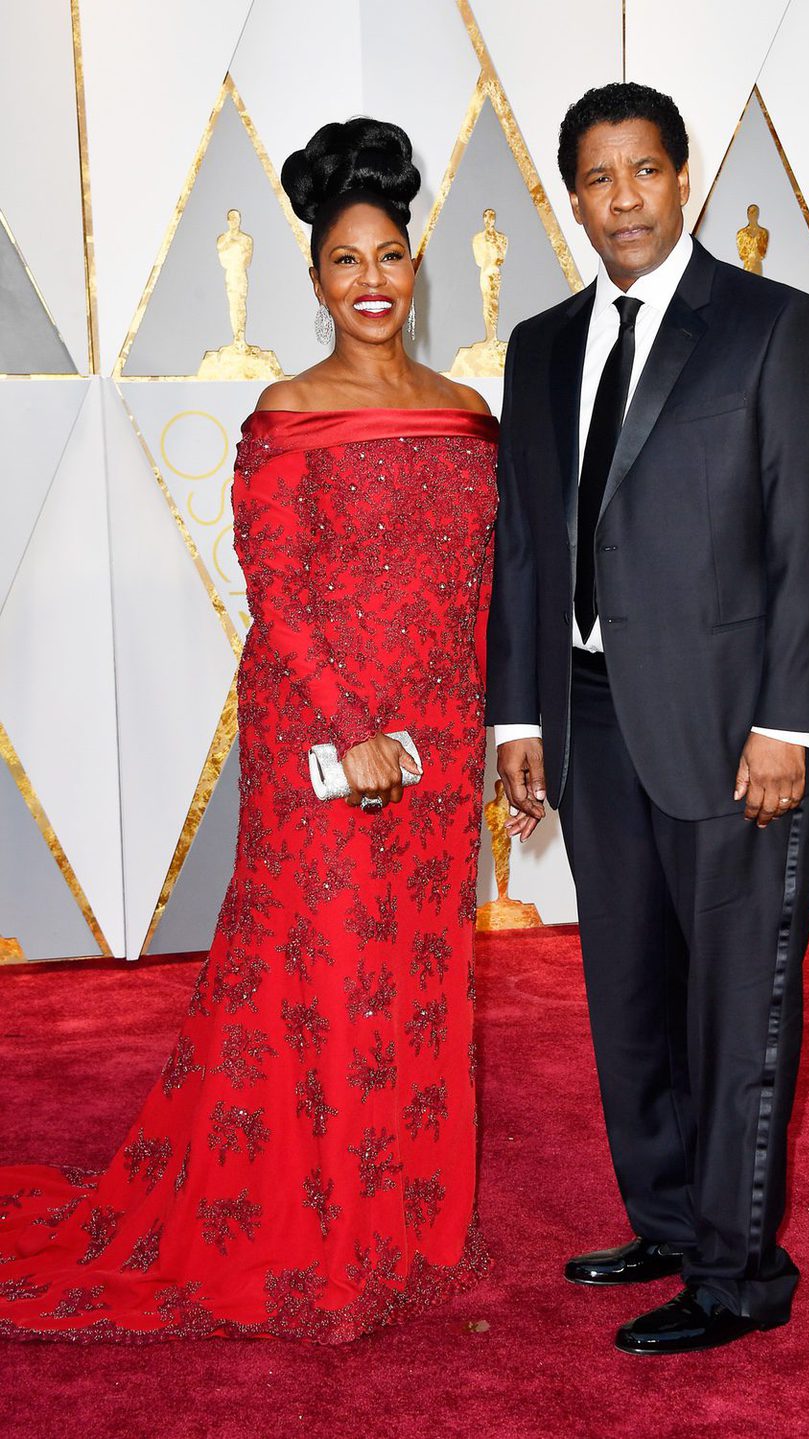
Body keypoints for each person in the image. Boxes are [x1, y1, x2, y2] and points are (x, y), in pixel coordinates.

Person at [0, 117, 497, 1343]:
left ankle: (397, 1214)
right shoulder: (288, 409)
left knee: (416, 981)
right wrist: (354, 729)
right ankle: (308, 1221)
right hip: (322, 742)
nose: (372, 280)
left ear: (415, 264)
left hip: (438, 742)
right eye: (346, 261)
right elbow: (276, 589)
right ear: (314, 276)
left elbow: (483, 585)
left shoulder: (469, 412)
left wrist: (478, 736)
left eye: (390, 255)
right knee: (318, 976)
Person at [486, 83, 809, 1356]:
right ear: (573, 196)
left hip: (732, 727)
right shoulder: (538, 347)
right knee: (627, 991)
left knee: (738, 1001)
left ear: (681, 178)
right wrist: (515, 719)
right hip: (586, 724)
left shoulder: (771, 327)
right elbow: (526, 548)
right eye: (597, 177)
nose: (622, 197)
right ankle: (670, 1218)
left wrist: (791, 727)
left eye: (644, 170)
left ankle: (741, 1272)